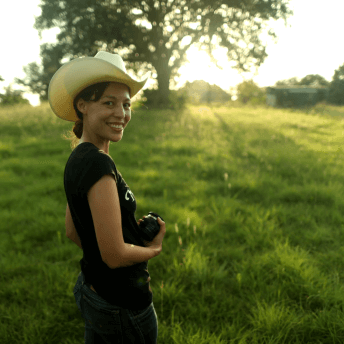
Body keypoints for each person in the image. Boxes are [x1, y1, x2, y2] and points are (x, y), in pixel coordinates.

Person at [48, 51, 166, 344]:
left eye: (126, 105)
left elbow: (73, 231)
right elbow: (114, 256)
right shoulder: (99, 166)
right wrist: (153, 249)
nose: (122, 114)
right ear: (83, 106)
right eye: (109, 103)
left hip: (92, 290)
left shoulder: (80, 157)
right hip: (122, 304)